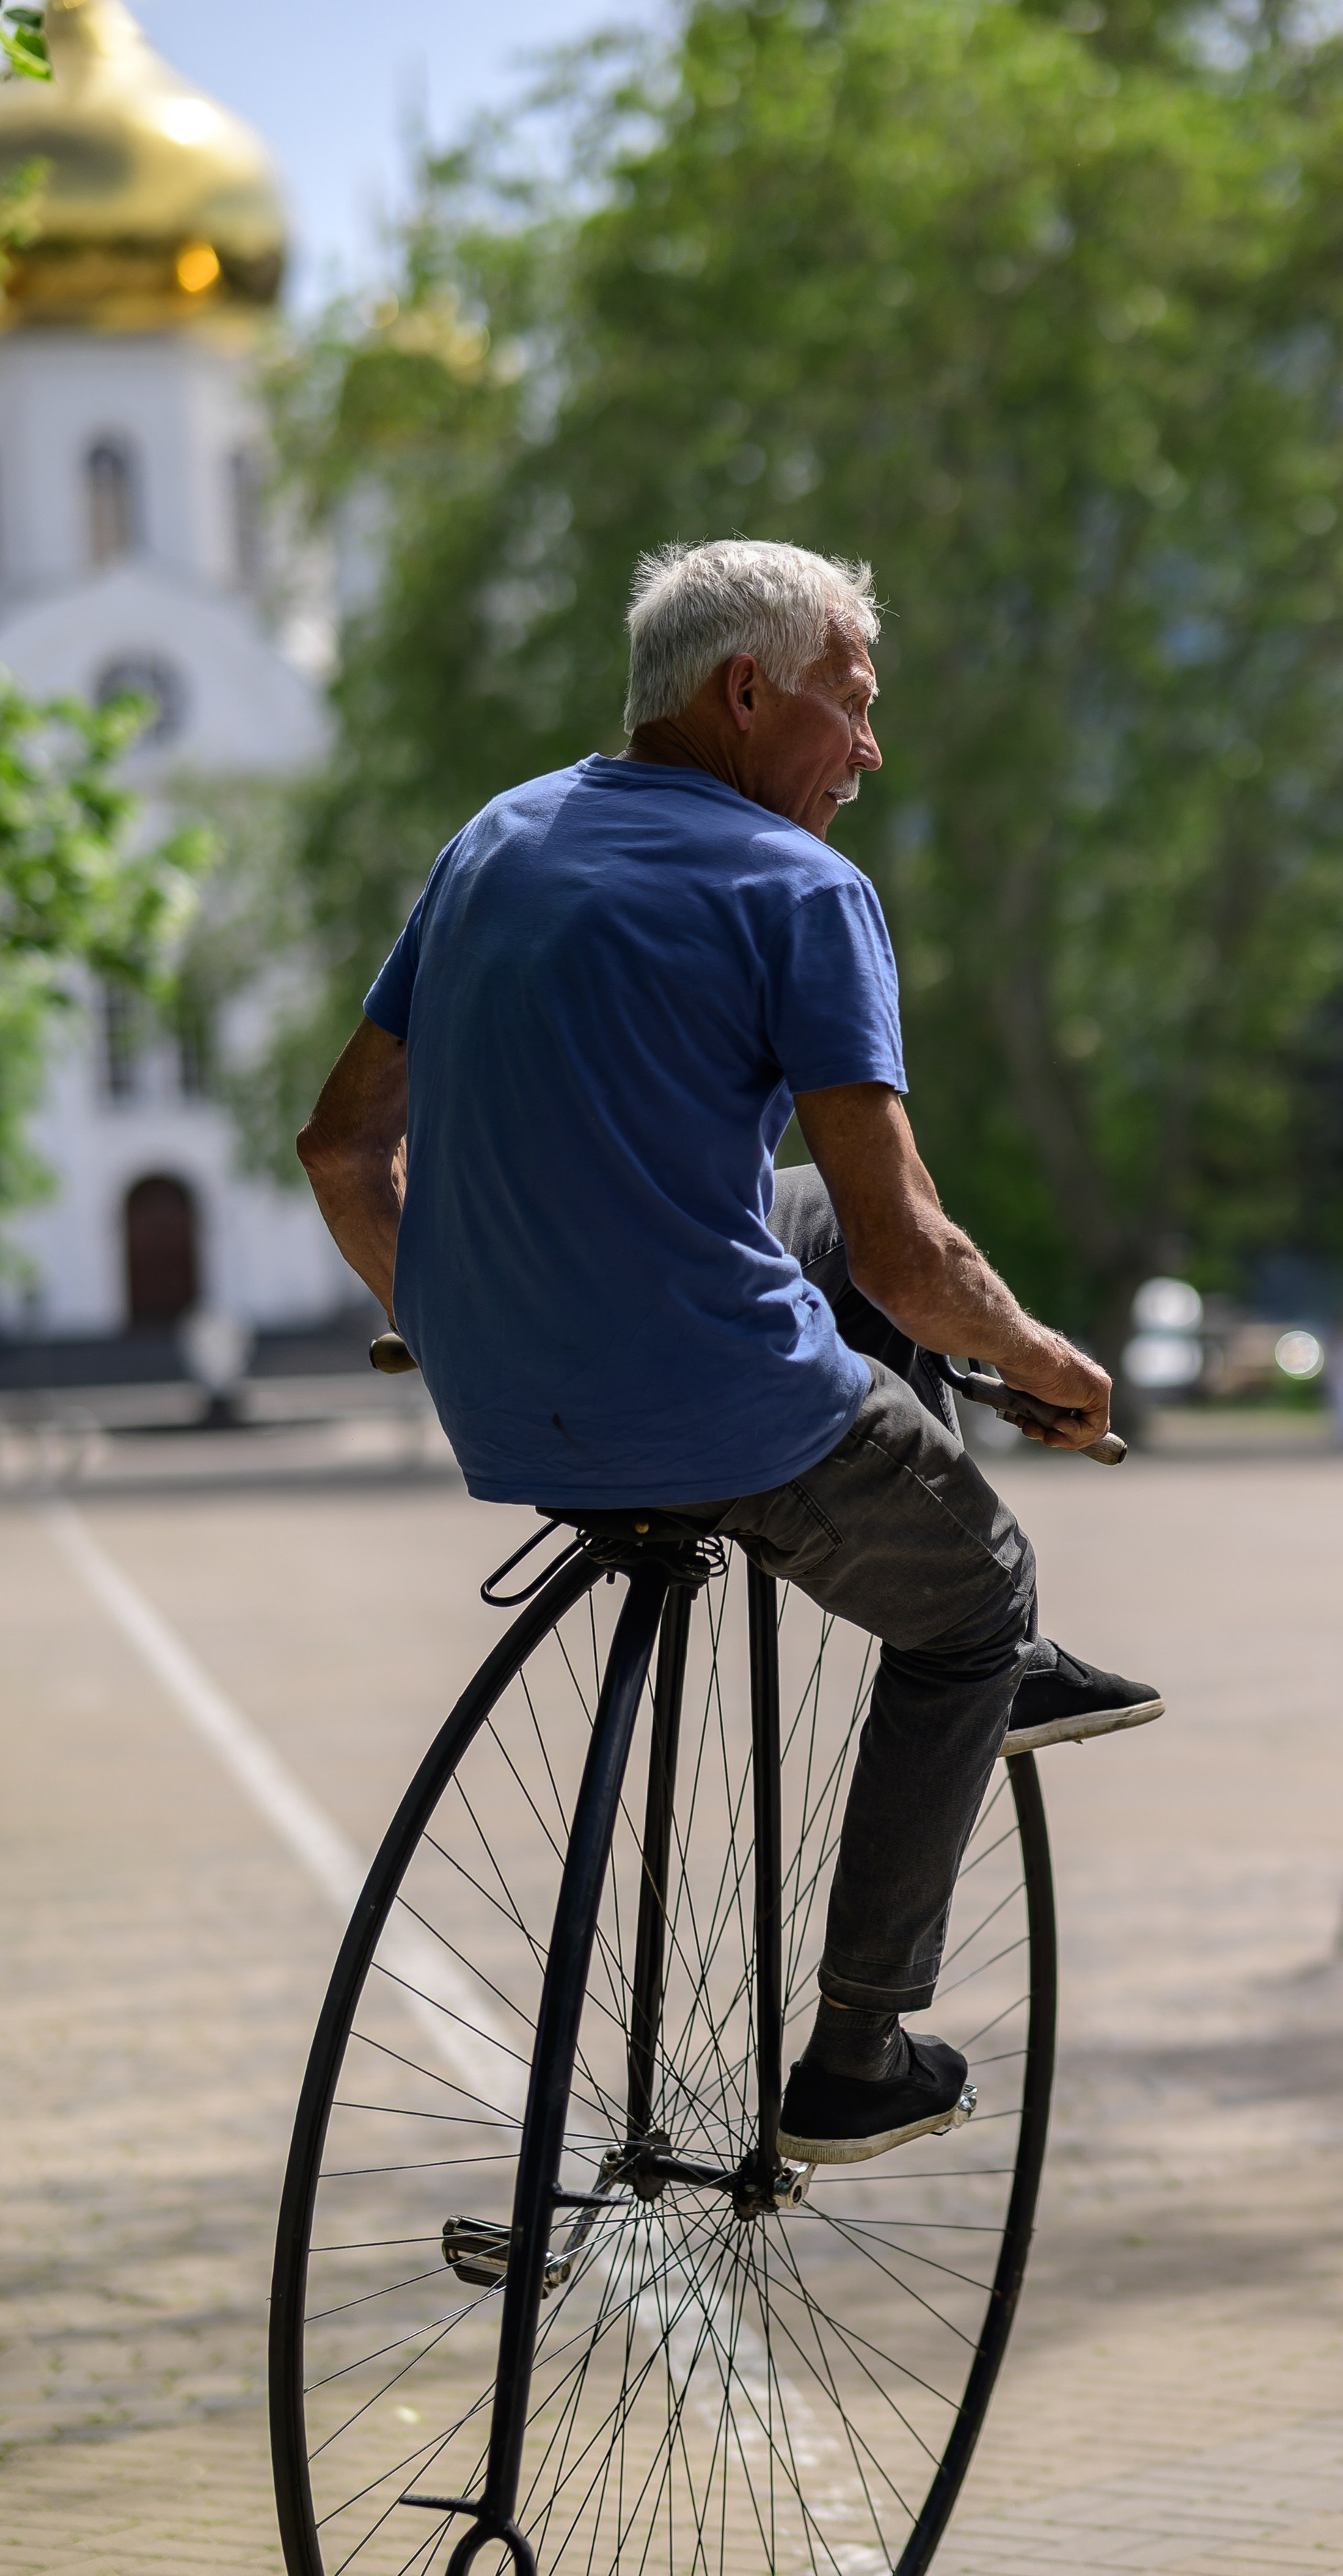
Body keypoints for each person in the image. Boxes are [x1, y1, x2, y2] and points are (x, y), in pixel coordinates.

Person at [296, 538, 1163, 2167]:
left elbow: (342, 1153)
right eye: (850, 706)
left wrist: (454, 1310)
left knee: (797, 1225)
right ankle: (853, 2052)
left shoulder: (494, 841)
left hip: (503, 1410)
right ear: (745, 693)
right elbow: (913, 1252)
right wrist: (1049, 1362)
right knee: (975, 1602)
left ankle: (1003, 1679)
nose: (868, 750)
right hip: (723, 1416)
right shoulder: (803, 891)